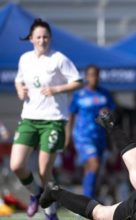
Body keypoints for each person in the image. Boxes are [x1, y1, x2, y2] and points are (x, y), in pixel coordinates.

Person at [10, 18, 82, 220]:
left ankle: (51, 214)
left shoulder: (58, 59)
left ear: (50, 38)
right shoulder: (25, 59)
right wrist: (20, 90)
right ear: (31, 39)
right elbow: (18, 80)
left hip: (53, 120)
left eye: (46, 37)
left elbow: (78, 82)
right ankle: (36, 194)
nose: (42, 40)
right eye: (39, 37)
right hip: (29, 119)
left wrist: (56, 88)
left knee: (44, 171)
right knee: (16, 165)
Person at [66, 64, 116, 198]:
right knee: (94, 164)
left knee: (93, 170)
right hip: (83, 137)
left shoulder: (105, 94)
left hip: (100, 137)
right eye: (92, 75)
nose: (94, 77)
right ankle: (88, 203)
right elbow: (71, 115)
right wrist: (67, 136)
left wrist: (107, 114)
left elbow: (112, 115)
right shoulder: (79, 95)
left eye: (97, 75)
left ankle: (88, 199)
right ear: (87, 77)